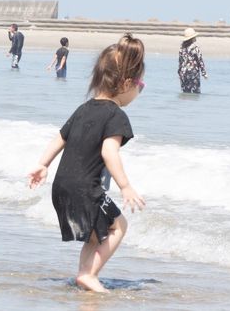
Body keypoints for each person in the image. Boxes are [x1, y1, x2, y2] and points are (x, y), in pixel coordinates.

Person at [28, 34, 146, 293]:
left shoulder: (83, 109)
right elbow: (109, 151)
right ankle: (89, 274)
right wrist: (125, 186)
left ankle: (84, 275)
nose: (140, 89)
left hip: (61, 186)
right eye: (141, 84)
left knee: (96, 235)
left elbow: (60, 137)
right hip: (86, 188)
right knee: (119, 226)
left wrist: (42, 164)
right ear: (127, 83)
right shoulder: (116, 115)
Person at [178, 28, 208, 93]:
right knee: (195, 93)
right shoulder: (195, 48)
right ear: (192, 38)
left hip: (183, 73)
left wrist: (179, 73)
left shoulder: (181, 48)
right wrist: (204, 73)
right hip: (193, 73)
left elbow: (180, 62)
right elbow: (200, 61)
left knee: (185, 93)